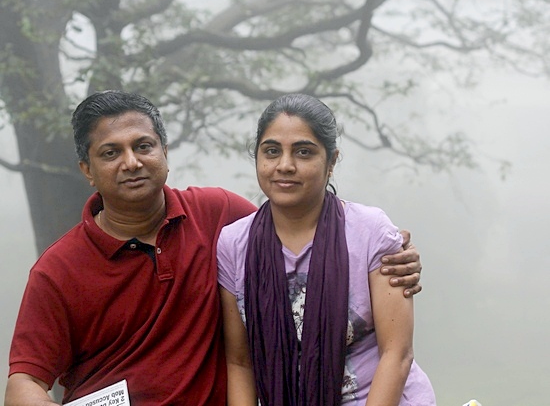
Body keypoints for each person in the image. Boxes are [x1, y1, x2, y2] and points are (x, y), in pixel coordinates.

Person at [5, 90, 423, 406]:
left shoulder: (217, 216)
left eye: (143, 146)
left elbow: (302, 217)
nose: (131, 162)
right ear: (88, 170)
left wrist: (391, 247)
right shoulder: (58, 270)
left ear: (165, 153)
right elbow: (24, 381)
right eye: (111, 153)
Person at [217, 93, 436, 406]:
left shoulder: (370, 231)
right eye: (272, 151)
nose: (285, 165)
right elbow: (240, 362)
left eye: (303, 152)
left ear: (331, 161)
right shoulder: (233, 244)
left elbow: (396, 354)